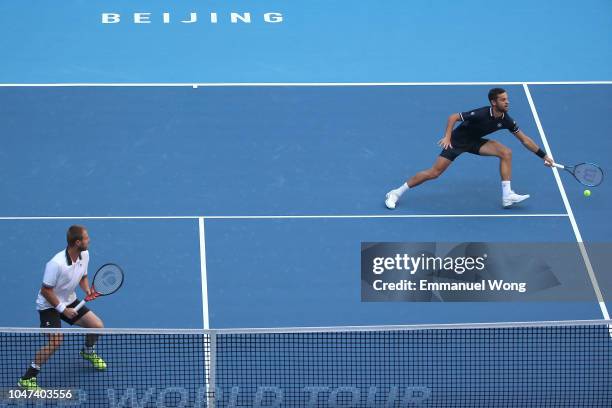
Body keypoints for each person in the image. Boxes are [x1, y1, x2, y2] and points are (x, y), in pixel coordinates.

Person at [385, 88, 554, 209]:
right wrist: (447, 137)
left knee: (506, 152)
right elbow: (453, 117)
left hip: (475, 142)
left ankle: (507, 195)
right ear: (493, 102)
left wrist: (543, 156)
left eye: (507, 99)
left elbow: (524, 140)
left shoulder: (507, 120)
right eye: (503, 99)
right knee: (434, 173)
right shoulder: (480, 113)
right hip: (457, 141)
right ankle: (396, 193)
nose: (507, 101)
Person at [18, 225, 106, 390]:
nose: (90, 240)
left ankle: (88, 351)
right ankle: (27, 378)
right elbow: (45, 290)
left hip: (70, 300)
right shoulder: (56, 264)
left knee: (97, 326)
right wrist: (63, 310)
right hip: (49, 306)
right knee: (56, 342)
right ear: (77, 242)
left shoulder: (84, 255)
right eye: (86, 238)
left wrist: (87, 289)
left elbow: (83, 275)